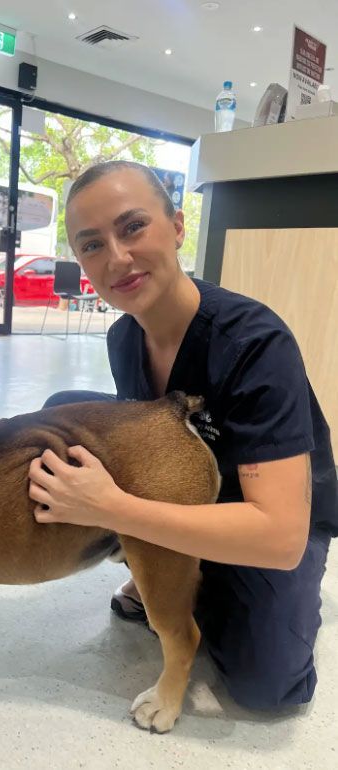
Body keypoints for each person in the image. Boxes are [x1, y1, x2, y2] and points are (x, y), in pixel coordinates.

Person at [28, 160, 337, 711]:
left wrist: (112, 510)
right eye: (92, 245)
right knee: (62, 417)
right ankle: (173, 566)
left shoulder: (255, 344)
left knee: (266, 685)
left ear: (177, 226)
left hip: (276, 515)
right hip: (196, 486)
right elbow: (151, 451)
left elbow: (281, 533)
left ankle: (196, 579)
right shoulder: (125, 338)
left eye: (132, 227)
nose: (117, 258)